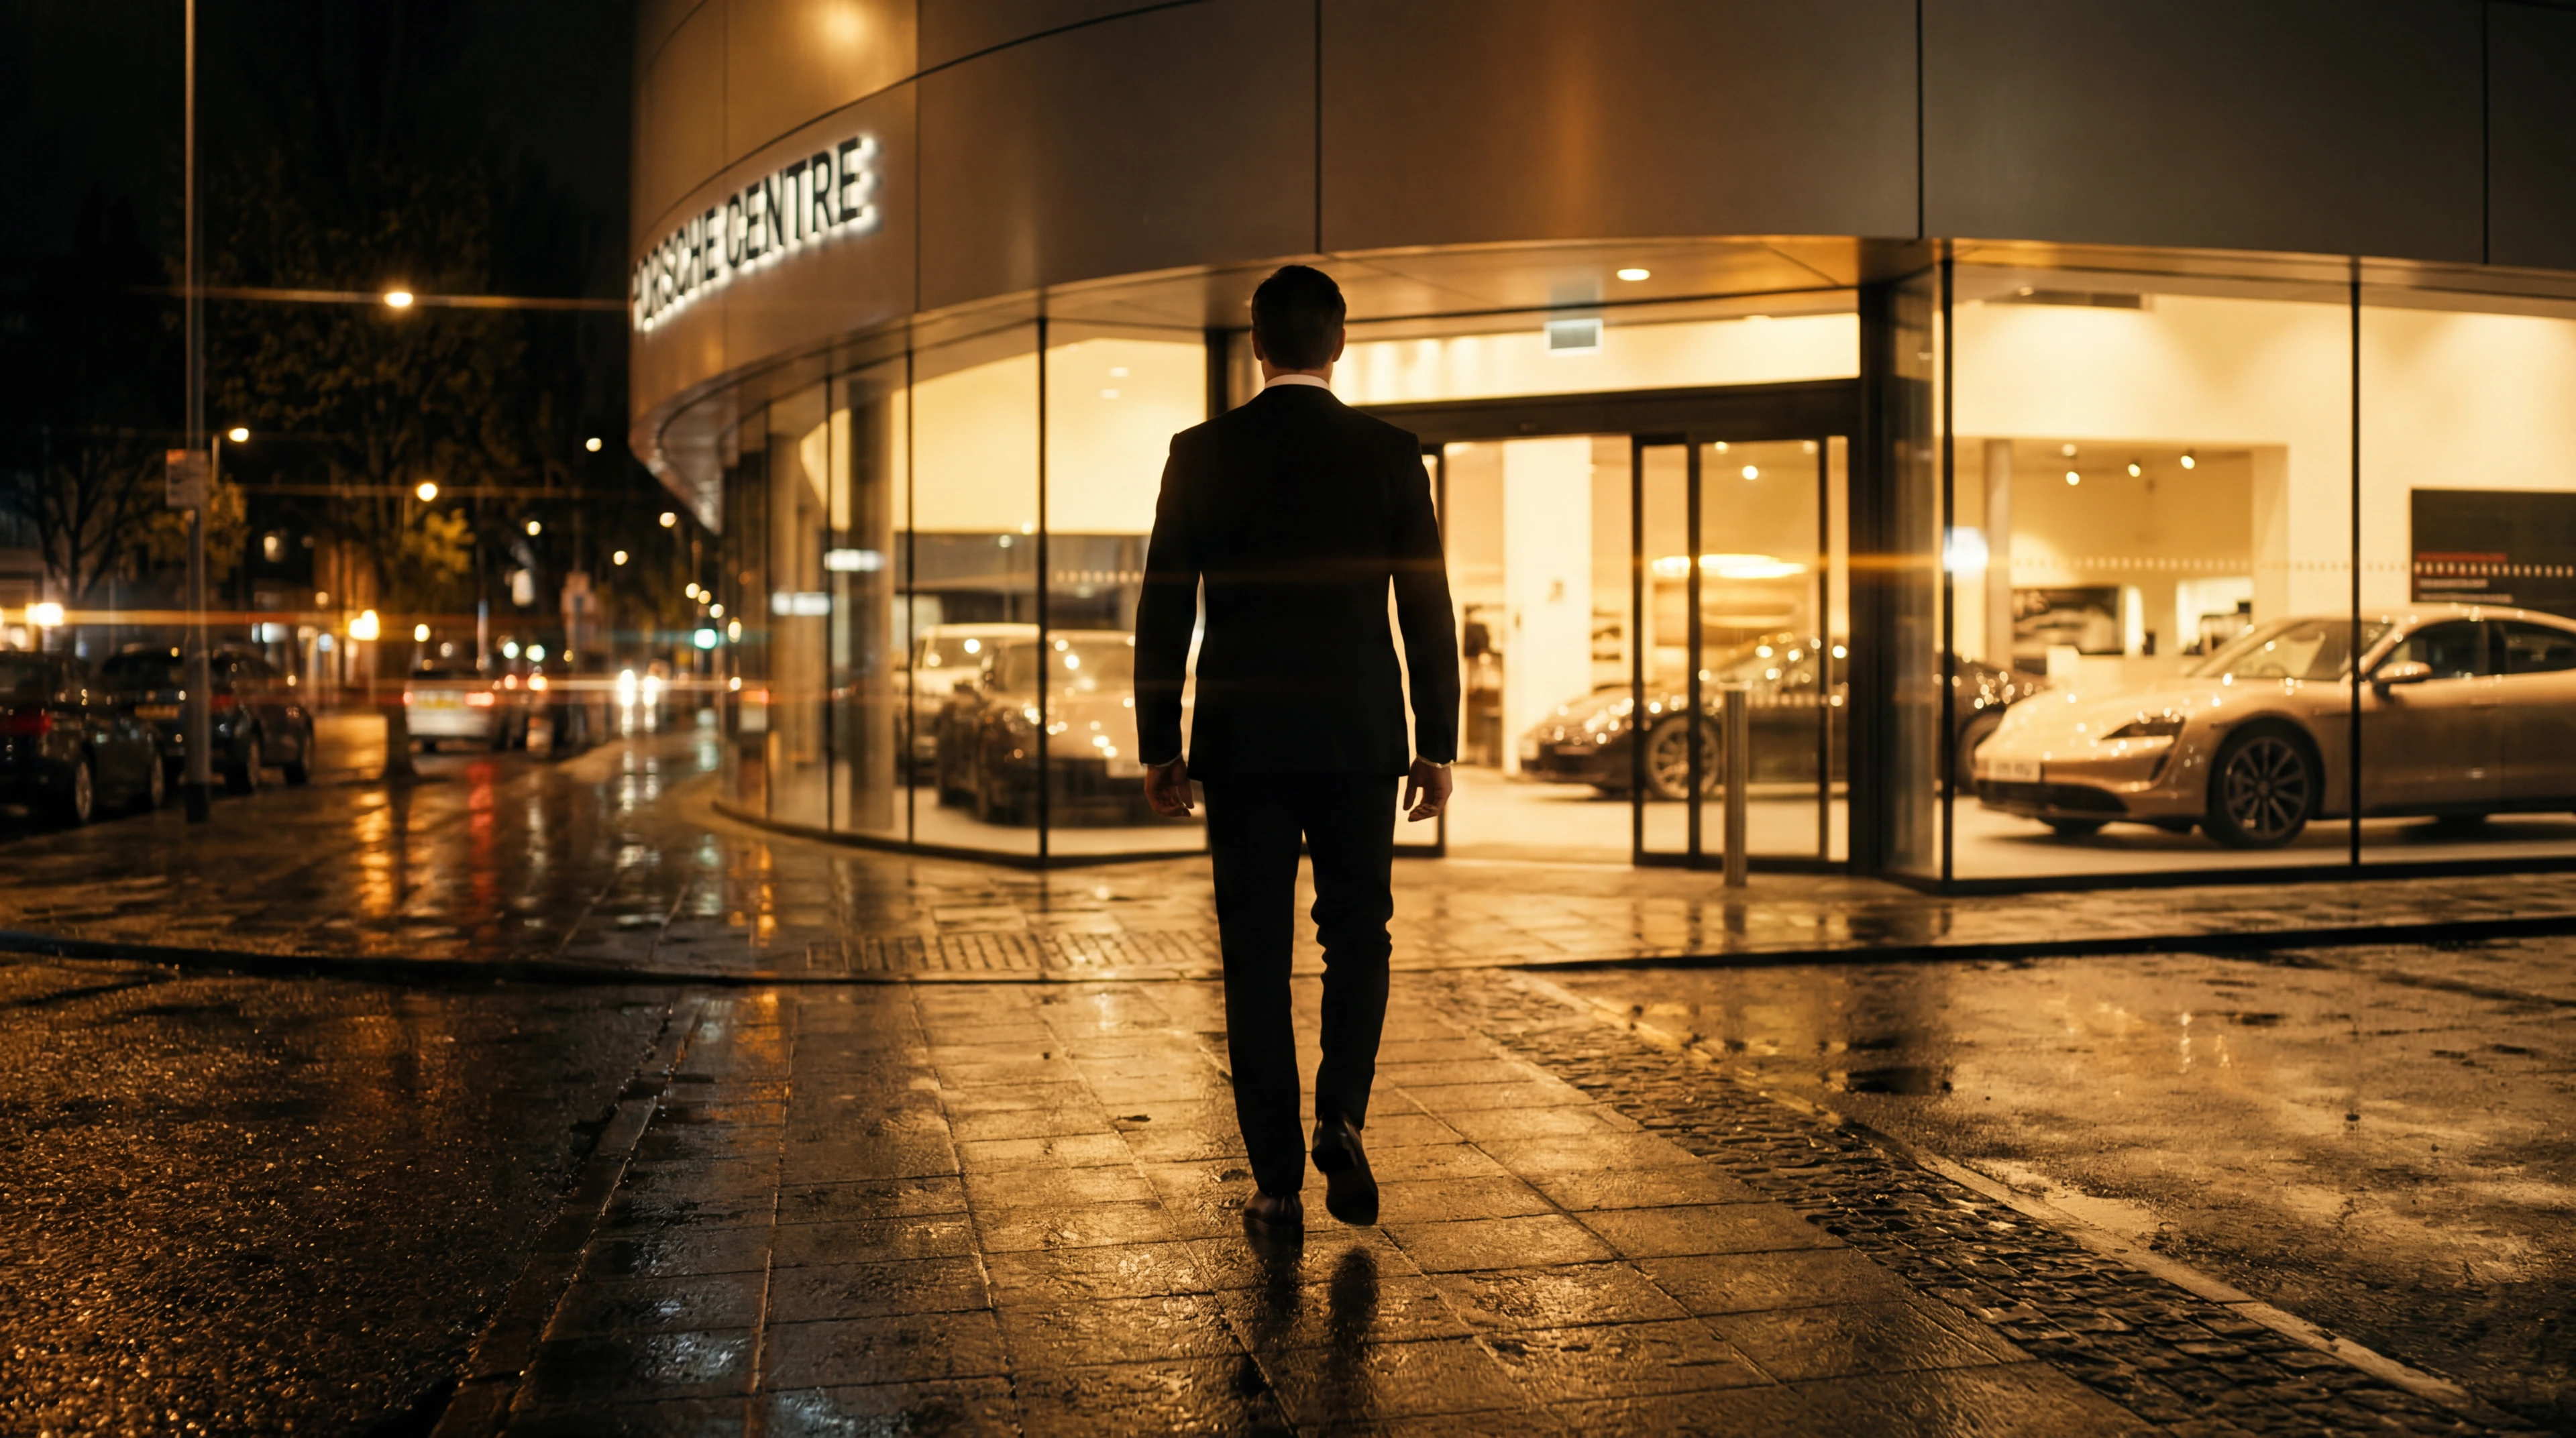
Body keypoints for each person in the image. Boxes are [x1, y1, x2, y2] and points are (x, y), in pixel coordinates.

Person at [1132, 264, 1459, 1236]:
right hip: (1360, 737)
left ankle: (1275, 1178)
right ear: (1340, 341)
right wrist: (1435, 743)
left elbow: (1164, 606)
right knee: (1359, 934)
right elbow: (1426, 606)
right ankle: (1342, 1115)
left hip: (1243, 741)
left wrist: (1161, 743)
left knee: (1255, 956)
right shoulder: (1390, 453)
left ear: (1257, 343)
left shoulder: (1201, 452)